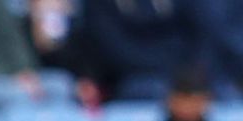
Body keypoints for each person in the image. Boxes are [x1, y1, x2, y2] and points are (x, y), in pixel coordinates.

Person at [67, 0, 210, 104]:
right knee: (147, 89)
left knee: (215, 92)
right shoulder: (100, 6)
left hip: (177, 75)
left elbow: (197, 38)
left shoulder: (182, 6)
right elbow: (112, 48)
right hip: (123, 80)